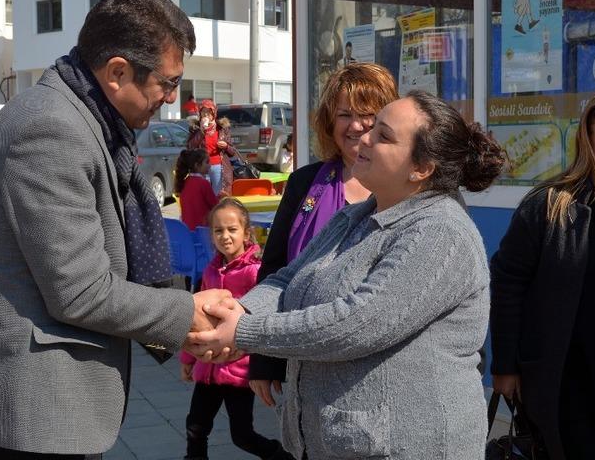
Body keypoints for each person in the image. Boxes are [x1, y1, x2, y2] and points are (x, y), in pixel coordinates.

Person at [0, 0, 234, 459]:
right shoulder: (50, 130)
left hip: (53, 410)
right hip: (35, 414)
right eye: (166, 82)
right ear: (118, 72)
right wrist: (187, 312)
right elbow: (80, 291)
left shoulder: (86, 119)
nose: (171, 98)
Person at [189, 91, 507, 459]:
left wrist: (244, 331)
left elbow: (356, 324)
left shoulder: (440, 231)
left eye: (383, 135)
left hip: (409, 446)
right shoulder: (358, 215)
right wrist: (238, 311)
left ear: (421, 169)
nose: (365, 137)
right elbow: (288, 279)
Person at [490, 91, 595, 460]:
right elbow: (508, 284)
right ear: (588, 136)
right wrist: (505, 366)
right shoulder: (550, 206)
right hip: (573, 387)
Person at [248, 62, 398, 408]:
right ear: (330, 121)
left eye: (369, 114)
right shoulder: (305, 183)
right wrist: (263, 357)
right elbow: (274, 269)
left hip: (379, 360)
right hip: (306, 357)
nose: (357, 126)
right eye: (345, 114)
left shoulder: (402, 188)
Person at [180, 198, 292, 460]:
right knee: (195, 426)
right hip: (208, 368)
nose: (225, 236)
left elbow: (265, 318)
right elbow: (195, 320)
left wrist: (265, 366)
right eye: (218, 230)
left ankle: (282, 456)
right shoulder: (210, 271)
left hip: (239, 372)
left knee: (242, 436)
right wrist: (188, 358)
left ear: (246, 232)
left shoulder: (256, 273)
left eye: (232, 229)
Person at [187, 99, 237, 194]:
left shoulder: (221, 129)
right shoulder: (195, 129)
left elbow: (233, 152)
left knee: (217, 194)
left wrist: (226, 146)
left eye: (208, 112)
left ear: (214, 113)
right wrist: (201, 131)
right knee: (202, 194)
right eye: (203, 112)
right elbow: (190, 147)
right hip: (201, 166)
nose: (206, 115)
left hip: (218, 166)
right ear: (200, 113)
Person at [175, 148, 218, 230]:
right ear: (197, 165)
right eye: (207, 162)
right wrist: (223, 199)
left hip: (187, 230)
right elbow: (215, 206)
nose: (210, 165)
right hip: (202, 231)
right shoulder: (203, 183)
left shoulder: (185, 181)